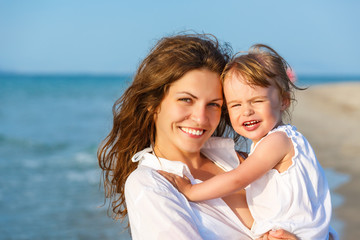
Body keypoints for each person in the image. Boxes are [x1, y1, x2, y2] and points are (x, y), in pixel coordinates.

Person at [98, 34, 299, 239]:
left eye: (213, 104)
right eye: (186, 99)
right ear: (153, 103)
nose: (201, 118)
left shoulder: (243, 160)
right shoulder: (150, 184)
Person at [159, 44, 337, 239]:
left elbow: (238, 178)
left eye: (257, 101)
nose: (246, 111)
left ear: (284, 101)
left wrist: (191, 191)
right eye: (236, 105)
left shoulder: (277, 141)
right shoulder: (285, 140)